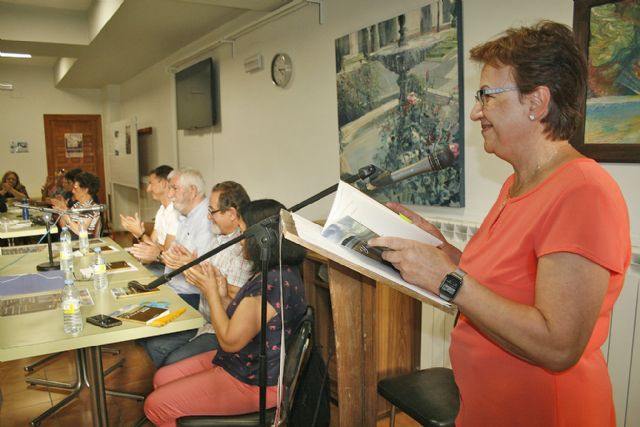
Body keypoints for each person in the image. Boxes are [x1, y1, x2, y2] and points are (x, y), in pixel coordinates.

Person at [369, 21, 631, 427]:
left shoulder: (583, 190)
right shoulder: (515, 183)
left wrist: (446, 278)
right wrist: (440, 249)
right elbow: (501, 281)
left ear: (536, 102)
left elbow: (558, 345)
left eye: (487, 96)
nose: (476, 111)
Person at [143, 199, 307, 425]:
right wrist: (220, 294)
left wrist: (210, 292)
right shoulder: (279, 271)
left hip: (255, 381)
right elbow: (248, 318)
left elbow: (230, 341)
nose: (240, 243)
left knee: (155, 405)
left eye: (243, 233)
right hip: (244, 363)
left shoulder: (272, 284)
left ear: (263, 240)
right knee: (163, 377)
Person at [140, 181, 254, 367]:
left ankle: (173, 388)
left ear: (232, 214)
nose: (209, 217)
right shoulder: (218, 239)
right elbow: (211, 274)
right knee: (150, 338)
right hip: (203, 318)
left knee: (165, 353)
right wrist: (191, 263)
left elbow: (237, 295)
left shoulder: (244, 246)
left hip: (220, 328)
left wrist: (190, 267)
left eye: (212, 211)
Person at [160, 168, 213, 310]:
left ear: (193, 190)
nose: (169, 194)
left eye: (174, 188)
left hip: (192, 296)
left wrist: (159, 255)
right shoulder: (186, 214)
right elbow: (174, 256)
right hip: (173, 288)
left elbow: (202, 268)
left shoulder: (207, 218)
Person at [121, 165, 180, 276]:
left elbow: (165, 254)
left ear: (163, 184)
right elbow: (150, 248)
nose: (148, 189)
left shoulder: (175, 213)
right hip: (158, 264)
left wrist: (141, 233)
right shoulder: (161, 211)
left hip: (170, 270)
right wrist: (139, 234)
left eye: (150, 184)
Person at [52, 171, 102, 237]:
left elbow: (81, 231)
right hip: (71, 240)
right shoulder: (77, 205)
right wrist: (63, 210)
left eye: (75, 188)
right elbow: (63, 226)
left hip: (83, 242)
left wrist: (68, 219)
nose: (73, 191)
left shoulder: (92, 208)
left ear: (85, 190)